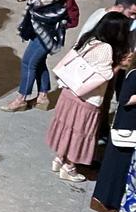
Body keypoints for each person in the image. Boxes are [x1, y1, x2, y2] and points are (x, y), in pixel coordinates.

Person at [46, 12, 128, 183]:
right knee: (81, 132)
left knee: (67, 128)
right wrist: (119, 66)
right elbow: (105, 75)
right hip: (87, 98)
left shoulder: (88, 38)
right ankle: (69, 167)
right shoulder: (106, 48)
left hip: (69, 92)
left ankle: (59, 159)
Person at [3, 0, 70, 112]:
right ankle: (43, 96)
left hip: (47, 32)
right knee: (38, 62)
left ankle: (21, 99)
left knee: (28, 62)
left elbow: (37, 4)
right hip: (39, 28)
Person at [95, 60, 136, 212]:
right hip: (127, 125)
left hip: (130, 125)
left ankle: (111, 201)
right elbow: (125, 99)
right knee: (117, 163)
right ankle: (105, 201)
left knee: (122, 165)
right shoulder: (134, 75)